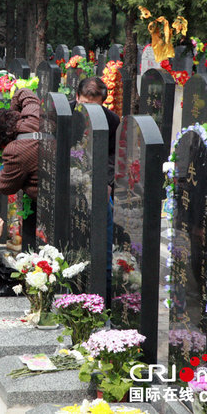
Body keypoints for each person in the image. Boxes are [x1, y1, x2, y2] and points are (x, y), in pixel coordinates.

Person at [70, 77, 120, 309]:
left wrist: (107, 181)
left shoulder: (112, 120)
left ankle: (103, 283)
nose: (90, 111)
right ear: (77, 97)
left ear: (104, 102)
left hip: (97, 183)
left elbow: (113, 155)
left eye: (96, 106)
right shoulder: (65, 114)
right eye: (85, 104)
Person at [0, 88, 41, 199]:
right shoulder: (32, 115)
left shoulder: (14, 152)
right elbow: (23, 92)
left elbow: (3, 186)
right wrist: (13, 115)